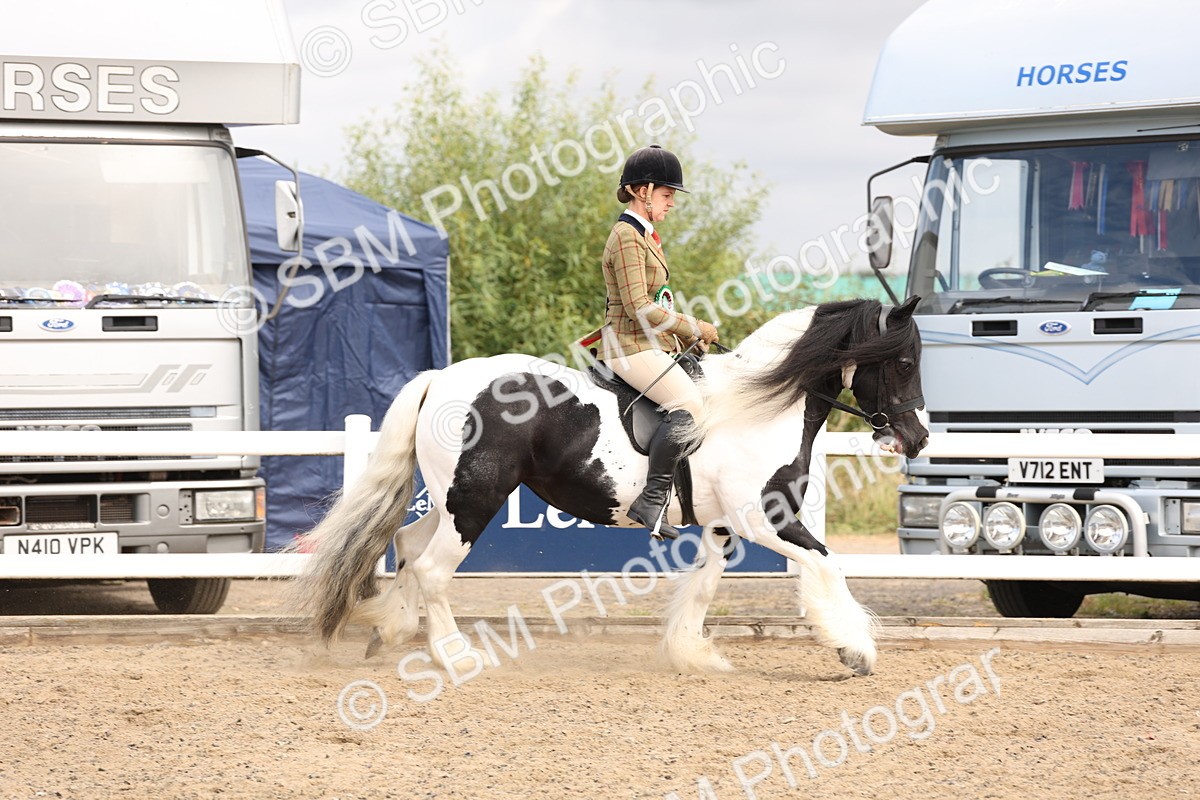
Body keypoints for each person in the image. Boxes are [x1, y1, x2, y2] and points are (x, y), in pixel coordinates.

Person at [597, 144, 720, 539]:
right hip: (626, 347)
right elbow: (637, 306)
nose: (671, 204)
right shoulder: (627, 236)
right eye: (667, 195)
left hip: (649, 345)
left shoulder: (646, 237)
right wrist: (693, 326)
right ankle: (652, 499)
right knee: (689, 404)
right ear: (642, 191)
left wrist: (683, 340)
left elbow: (656, 305)